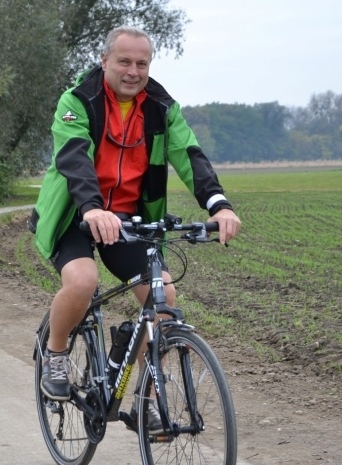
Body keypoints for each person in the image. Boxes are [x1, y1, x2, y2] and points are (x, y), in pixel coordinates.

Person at [30, 26, 241, 408]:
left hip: (128, 219)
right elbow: (75, 157)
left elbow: (188, 154)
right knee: (82, 281)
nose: (133, 70)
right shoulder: (78, 100)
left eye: (141, 63)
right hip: (74, 214)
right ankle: (56, 354)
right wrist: (93, 208)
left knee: (164, 297)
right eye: (124, 61)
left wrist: (218, 204)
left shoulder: (161, 107)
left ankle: (147, 392)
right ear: (104, 60)